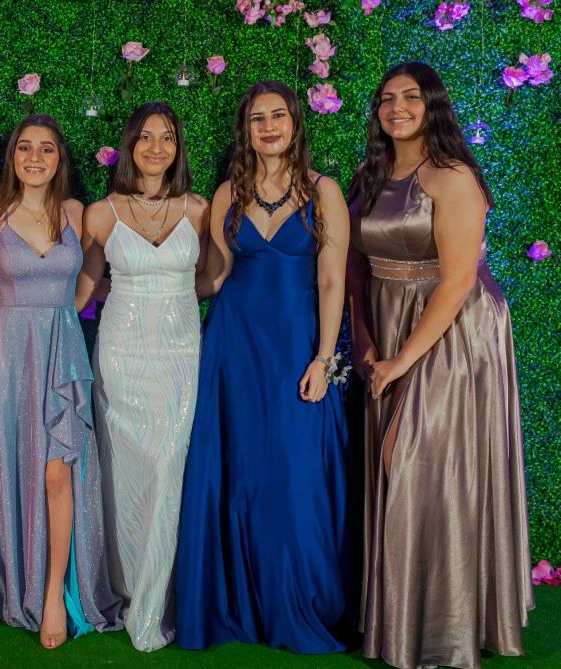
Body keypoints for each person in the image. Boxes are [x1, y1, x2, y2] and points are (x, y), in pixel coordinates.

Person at [346, 61, 532, 669]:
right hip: (386, 318)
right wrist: (366, 340)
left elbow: (456, 282)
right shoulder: (370, 174)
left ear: (433, 106)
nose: (396, 107)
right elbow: (354, 266)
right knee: (397, 467)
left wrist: (402, 358)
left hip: (451, 330)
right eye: (386, 98)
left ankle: (440, 632)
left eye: (410, 97)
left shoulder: (453, 176)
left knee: (420, 462)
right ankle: (402, 620)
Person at [175, 80, 353, 654]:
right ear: (246, 130)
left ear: (296, 124)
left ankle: (297, 601)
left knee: (294, 473)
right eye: (258, 119)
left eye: (278, 116)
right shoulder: (228, 193)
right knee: (244, 473)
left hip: (298, 344)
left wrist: (323, 358)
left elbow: (333, 280)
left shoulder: (325, 192)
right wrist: (142, 290)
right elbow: (215, 275)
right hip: (234, 345)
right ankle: (242, 602)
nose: (269, 127)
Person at [0, 114, 122, 649]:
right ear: (12, 156)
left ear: (59, 158)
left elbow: (93, 276)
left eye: (46, 148)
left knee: (58, 474)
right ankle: (10, 581)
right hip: (4, 353)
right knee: (8, 464)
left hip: (61, 350)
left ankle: (53, 596)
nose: (35, 157)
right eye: (25, 147)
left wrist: (72, 311)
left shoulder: (77, 213)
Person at [76, 101, 209, 652]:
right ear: (130, 145)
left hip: (180, 352)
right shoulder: (100, 213)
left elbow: (214, 275)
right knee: (125, 471)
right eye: (146, 137)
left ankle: (158, 599)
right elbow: (83, 285)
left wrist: (170, 296)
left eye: (168, 137)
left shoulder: (199, 208)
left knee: (168, 464)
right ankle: (128, 586)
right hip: (121, 354)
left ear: (178, 148)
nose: (157, 147)